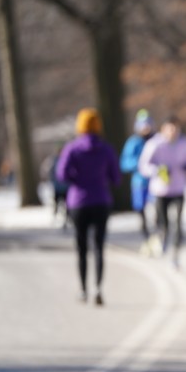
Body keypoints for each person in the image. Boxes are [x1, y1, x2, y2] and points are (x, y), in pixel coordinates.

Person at [56, 108, 121, 305]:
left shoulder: (72, 149)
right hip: (101, 201)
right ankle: (98, 288)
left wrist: (77, 178)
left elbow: (61, 174)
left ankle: (83, 290)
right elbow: (116, 178)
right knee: (99, 247)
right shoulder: (106, 149)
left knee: (82, 247)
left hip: (78, 203)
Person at [138, 115, 186, 269]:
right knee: (163, 222)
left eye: (176, 128)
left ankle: (176, 253)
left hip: (179, 189)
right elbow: (143, 165)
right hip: (160, 190)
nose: (173, 132)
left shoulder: (185, 143)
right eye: (170, 129)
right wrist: (158, 170)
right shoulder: (154, 144)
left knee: (177, 222)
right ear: (163, 129)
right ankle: (162, 241)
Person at [120, 109, 156, 254]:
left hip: (155, 184)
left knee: (155, 212)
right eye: (143, 125)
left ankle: (156, 237)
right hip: (139, 184)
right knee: (142, 214)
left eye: (148, 124)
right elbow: (124, 163)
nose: (146, 128)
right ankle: (146, 239)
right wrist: (140, 164)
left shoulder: (156, 141)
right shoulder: (133, 142)